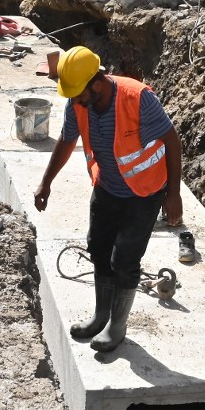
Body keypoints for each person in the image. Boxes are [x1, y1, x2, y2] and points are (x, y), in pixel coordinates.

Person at [34, 47, 184, 354]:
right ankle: (100, 316)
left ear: (98, 82)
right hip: (106, 187)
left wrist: (173, 194)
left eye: (80, 95)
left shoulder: (138, 99)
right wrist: (46, 182)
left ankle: (117, 325)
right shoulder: (79, 101)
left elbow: (172, 141)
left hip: (144, 193)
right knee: (99, 250)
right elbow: (67, 138)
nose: (76, 102)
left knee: (125, 261)